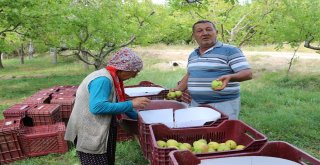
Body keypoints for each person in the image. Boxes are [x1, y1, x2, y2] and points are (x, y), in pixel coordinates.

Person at [64, 47, 150, 165]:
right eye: (134, 72)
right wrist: (131, 104)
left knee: (107, 161)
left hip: (102, 128)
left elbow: (119, 103)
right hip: (90, 131)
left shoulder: (114, 78)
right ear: (124, 68)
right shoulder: (103, 80)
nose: (135, 76)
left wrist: (142, 119)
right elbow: (97, 107)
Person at [172, 20, 252, 120]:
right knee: (199, 133)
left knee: (222, 133)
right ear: (194, 36)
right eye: (199, 31)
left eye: (209, 29)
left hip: (223, 104)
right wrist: (178, 89)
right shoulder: (193, 55)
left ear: (216, 32)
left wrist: (230, 77)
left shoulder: (230, 50)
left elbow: (247, 73)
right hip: (196, 103)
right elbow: (190, 74)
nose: (205, 33)